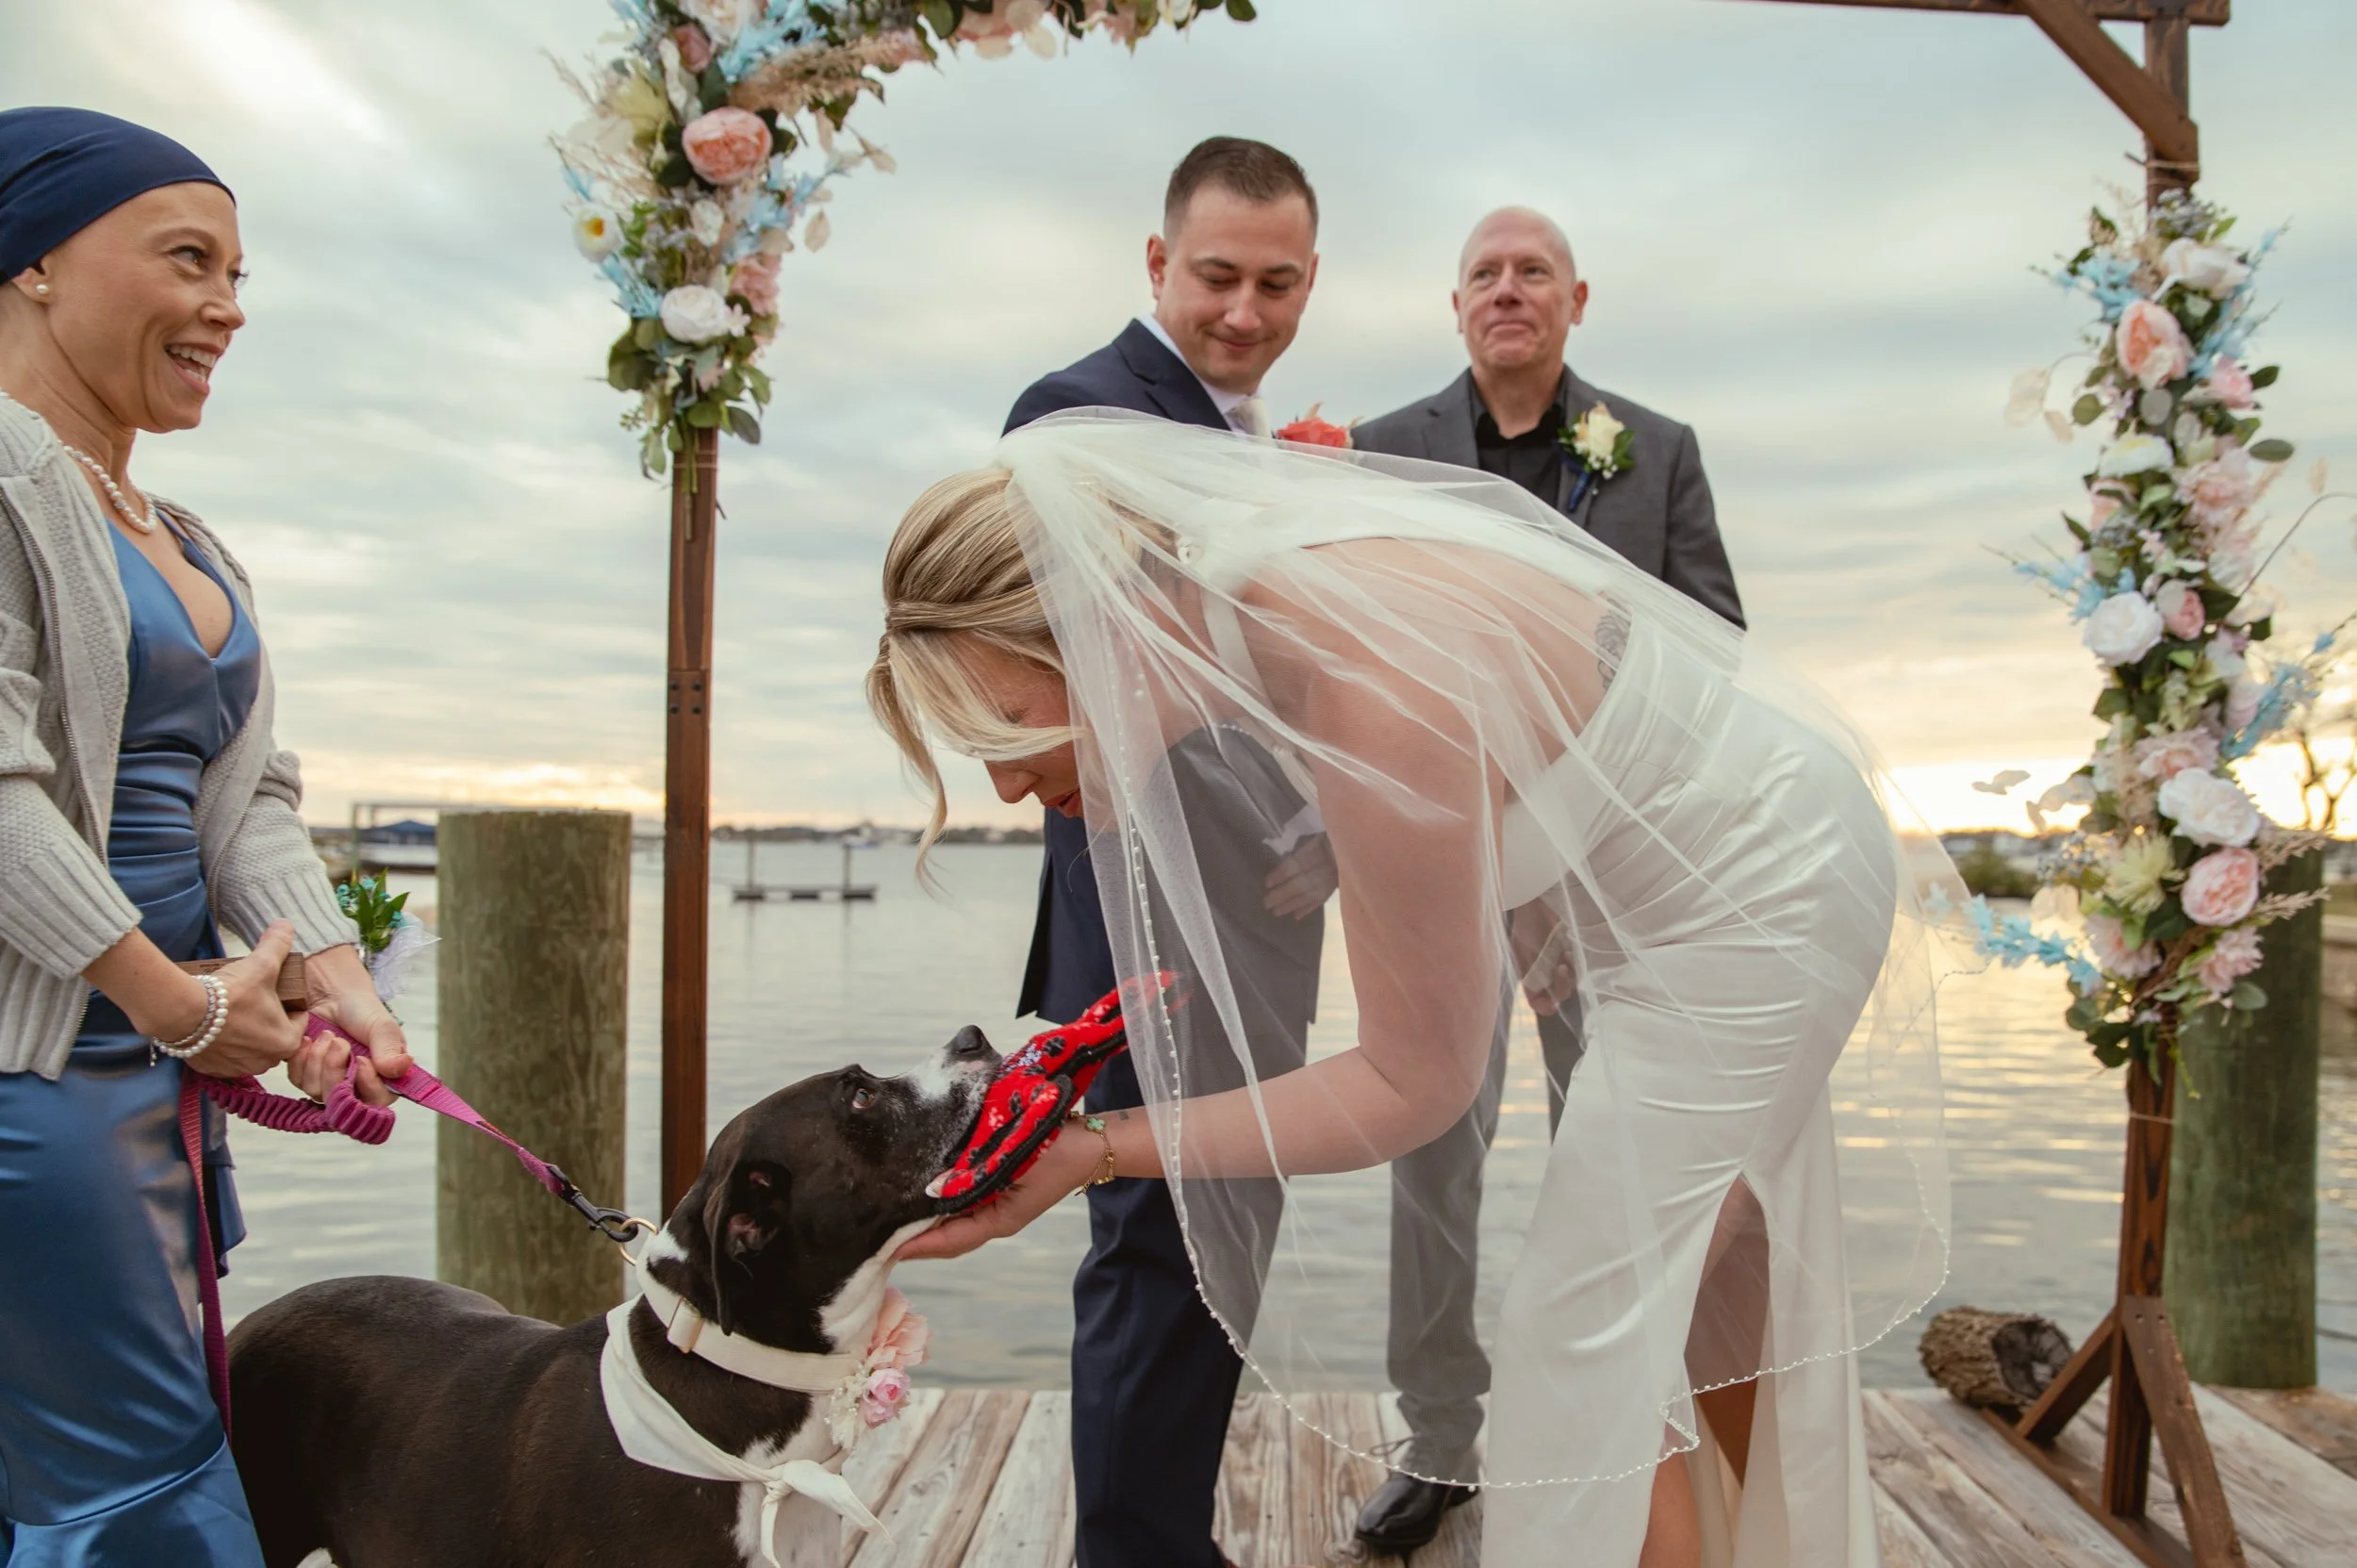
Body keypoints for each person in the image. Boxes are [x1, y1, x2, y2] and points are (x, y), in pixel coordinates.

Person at [875, 415, 1953, 1566]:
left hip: (1757, 886)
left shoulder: (1359, 679)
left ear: (1090, 626)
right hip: (1677, 872)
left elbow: (1410, 1082)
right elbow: (1533, 727)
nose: (997, 781)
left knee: (1579, 1339)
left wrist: (1094, 1146)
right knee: (1691, 1285)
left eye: (999, 722)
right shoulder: (1244, 595)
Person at [0, 107, 409, 1563]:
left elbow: (252, 803)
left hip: (160, 1065)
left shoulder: (190, 535)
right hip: (40, 1078)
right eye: (189, 259)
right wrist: (173, 1000)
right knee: (126, 1492)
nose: (228, 306)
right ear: (37, 261)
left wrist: (339, 977)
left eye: (241, 272)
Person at [1344, 206, 1746, 1552]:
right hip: (1434, 865)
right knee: (1430, 1156)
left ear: (1577, 299)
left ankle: (1616, 1430)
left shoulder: (1659, 451)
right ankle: (1442, 1440)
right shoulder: (1386, 452)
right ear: (1454, 305)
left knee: (1615, 1153)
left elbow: (1713, 654)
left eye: (1532, 273)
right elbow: (1356, 658)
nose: (1507, 290)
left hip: (1609, 873)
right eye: (1484, 274)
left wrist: (1573, 847)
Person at [998, 135, 1335, 1568]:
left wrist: (1328, 824)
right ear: (1157, 263)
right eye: (1216, 277)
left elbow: (1297, 687)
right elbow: (1091, 678)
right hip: (1143, 921)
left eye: (1277, 283)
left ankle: (1166, 1540)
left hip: (1266, 908)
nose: (1243, 313)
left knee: (1227, 1243)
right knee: (1152, 1248)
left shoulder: (1264, 439)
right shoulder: (1075, 414)